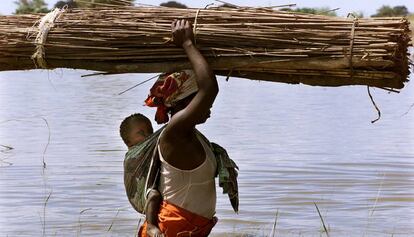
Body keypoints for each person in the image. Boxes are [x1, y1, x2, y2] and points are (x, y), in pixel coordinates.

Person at [140, 19, 220, 236]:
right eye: (199, 99)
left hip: (186, 229)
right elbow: (210, 88)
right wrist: (187, 43)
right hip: (173, 229)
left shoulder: (191, 134)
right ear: (181, 102)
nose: (209, 106)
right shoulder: (175, 132)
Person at [119, 113, 165, 237]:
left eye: (150, 131)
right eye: (141, 133)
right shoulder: (134, 154)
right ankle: (151, 226)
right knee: (154, 195)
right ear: (128, 141)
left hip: (147, 184)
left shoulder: (149, 147)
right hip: (141, 194)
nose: (148, 135)